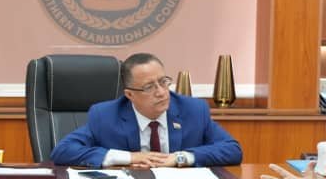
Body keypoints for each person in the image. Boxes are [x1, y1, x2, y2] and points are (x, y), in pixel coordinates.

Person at [50, 52, 242, 168]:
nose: (161, 92)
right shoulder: (105, 115)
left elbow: (232, 149)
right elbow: (63, 151)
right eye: (149, 87)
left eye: (163, 82)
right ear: (130, 94)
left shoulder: (193, 110)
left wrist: (180, 157)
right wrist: (129, 157)